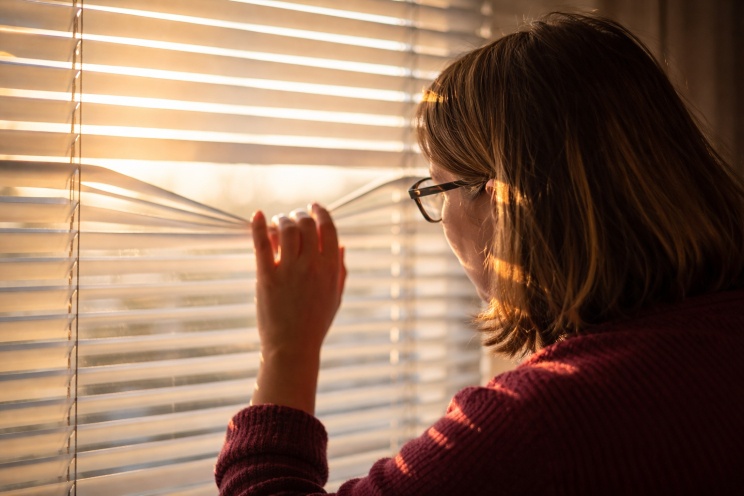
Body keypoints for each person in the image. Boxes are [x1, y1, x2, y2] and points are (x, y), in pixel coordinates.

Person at [215, 12, 744, 495]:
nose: (438, 215)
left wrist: (288, 349)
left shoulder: (535, 426)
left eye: (437, 188)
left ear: (500, 198)